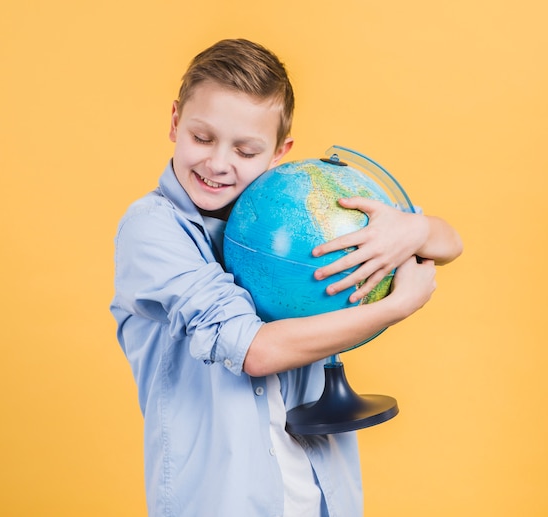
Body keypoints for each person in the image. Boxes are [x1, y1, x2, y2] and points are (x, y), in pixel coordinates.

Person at [111, 38, 463, 517]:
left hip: (321, 497)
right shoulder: (152, 229)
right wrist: (395, 306)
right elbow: (253, 350)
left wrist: (413, 229)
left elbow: (449, 243)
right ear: (175, 122)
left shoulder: (294, 207)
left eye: (246, 149)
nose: (218, 163)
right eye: (202, 137)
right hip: (220, 502)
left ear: (280, 152)